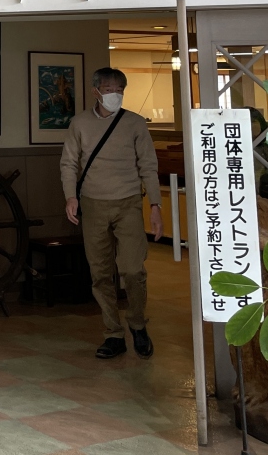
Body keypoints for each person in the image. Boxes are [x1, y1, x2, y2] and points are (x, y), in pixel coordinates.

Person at [60, 67, 163, 360]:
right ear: (96, 91)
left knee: (133, 269)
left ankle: (138, 324)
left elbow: (148, 165)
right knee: (101, 273)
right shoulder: (80, 123)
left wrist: (155, 205)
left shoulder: (135, 123)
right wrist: (70, 196)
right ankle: (113, 333)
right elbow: (69, 162)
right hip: (93, 204)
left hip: (129, 202)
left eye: (119, 90)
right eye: (108, 90)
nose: (114, 95)